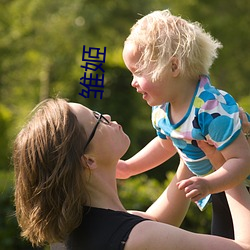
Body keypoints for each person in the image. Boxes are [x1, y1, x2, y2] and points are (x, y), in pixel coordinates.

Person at [13, 98, 250, 250]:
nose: (106, 116)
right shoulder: (138, 238)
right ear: (88, 160)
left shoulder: (72, 234)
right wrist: (226, 165)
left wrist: (190, 137)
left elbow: (157, 221)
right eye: (97, 120)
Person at [119, 9, 250, 239]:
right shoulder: (162, 110)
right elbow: (166, 145)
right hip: (220, 189)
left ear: (173, 67)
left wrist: (209, 184)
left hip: (239, 185)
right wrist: (130, 167)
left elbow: (242, 160)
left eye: (138, 72)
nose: (133, 82)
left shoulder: (211, 109)